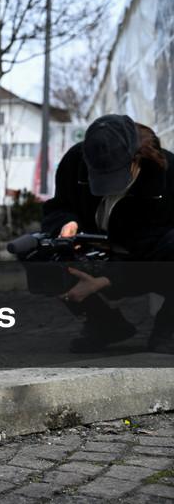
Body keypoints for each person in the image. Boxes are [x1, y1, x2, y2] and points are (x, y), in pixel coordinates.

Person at [42, 114, 174, 353]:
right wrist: (66, 223)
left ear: (136, 158)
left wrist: (104, 281)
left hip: (152, 258)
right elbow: (58, 206)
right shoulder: (75, 161)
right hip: (97, 250)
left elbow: (152, 245)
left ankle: (168, 329)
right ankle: (105, 324)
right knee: (35, 251)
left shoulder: (165, 172)